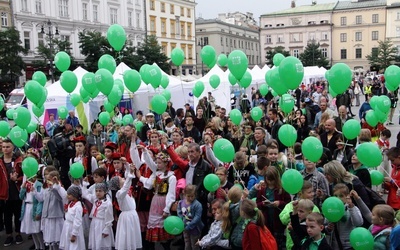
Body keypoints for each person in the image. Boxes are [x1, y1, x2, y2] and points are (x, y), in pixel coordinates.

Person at [138, 151, 176, 249]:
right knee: (154, 226)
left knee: (164, 229)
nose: (157, 165)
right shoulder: (156, 174)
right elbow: (149, 184)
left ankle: (167, 246)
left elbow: (171, 195)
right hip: (155, 202)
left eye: (159, 163)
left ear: (166, 163)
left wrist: (167, 209)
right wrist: (145, 151)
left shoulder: (171, 177)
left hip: (163, 202)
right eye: (157, 162)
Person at [255, 167, 291, 249]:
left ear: (276, 179)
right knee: (268, 243)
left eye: (272, 180)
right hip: (266, 221)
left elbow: (289, 204)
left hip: (278, 222)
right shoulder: (263, 190)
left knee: (278, 243)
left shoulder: (282, 189)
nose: (270, 182)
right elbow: (257, 204)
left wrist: (279, 203)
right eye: (268, 179)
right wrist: (263, 204)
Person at [109, 165, 142, 250]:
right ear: (118, 185)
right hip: (127, 217)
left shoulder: (126, 191)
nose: (123, 178)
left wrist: (129, 169)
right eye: (121, 179)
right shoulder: (119, 193)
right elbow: (127, 185)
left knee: (133, 234)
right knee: (127, 235)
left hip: (132, 215)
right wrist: (130, 174)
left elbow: (128, 182)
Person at [0, 139, 23, 247]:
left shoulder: (19, 160)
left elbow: (26, 175)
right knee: (7, 216)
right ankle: (9, 235)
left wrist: (17, 179)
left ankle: (18, 234)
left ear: (13, 147)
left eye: (8, 147)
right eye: (4, 147)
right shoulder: (0, 161)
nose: (5, 149)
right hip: (5, 194)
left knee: (18, 215)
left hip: (17, 193)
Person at [36, 168, 66, 249]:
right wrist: (34, 191)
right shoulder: (47, 190)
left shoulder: (58, 189)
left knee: (57, 239)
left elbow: (61, 197)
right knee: (50, 240)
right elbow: (41, 199)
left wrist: (55, 186)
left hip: (55, 217)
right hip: (48, 217)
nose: (47, 181)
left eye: (49, 179)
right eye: (47, 179)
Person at [327, 183, 363, 250]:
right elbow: (325, 224)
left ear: (347, 196)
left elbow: (358, 223)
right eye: (335, 196)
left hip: (349, 244)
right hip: (335, 244)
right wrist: (328, 228)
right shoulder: (330, 209)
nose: (338, 198)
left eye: (341, 196)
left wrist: (351, 207)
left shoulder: (352, 208)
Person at [19, 173, 44, 250]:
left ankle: (42, 246)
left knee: (36, 229)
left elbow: (40, 200)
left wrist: (38, 212)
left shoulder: (39, 185)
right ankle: (36, 246)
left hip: (34, 208)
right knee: (31, 229)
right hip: (27, 207)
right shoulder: (26, 185)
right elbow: (21, 197)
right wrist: (22, 189)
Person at [59, 185, 85, 250]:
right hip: (67, 226)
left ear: (75, 195)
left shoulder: (78, 207)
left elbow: (78, 221)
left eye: (69, 194)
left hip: (73, 227)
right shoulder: (70, 203)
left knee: (74, 246)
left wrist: (74, 234)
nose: (67, 196)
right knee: (67, 245)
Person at [178, 185, 204, 250]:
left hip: (195, 229)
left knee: (194, 245)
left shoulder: (197, 205)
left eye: (192, 196)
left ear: (195, 195)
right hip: (184, 227)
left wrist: (189, 226)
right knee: (187, 243)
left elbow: (197, 217)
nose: (190, 198)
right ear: (184, 194)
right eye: (188, 196)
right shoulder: (181, 202)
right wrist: (181, 220)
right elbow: (179, 211)